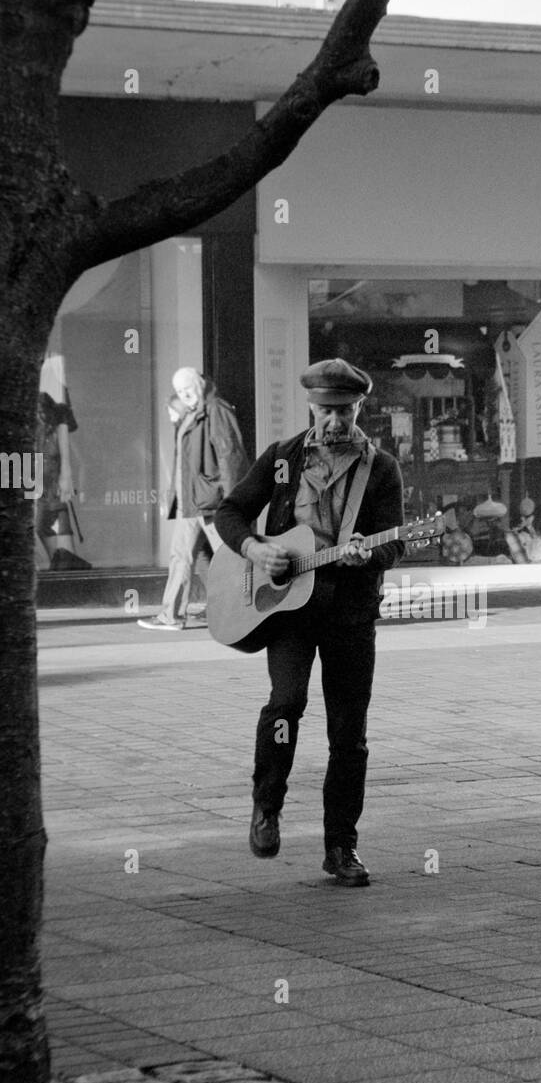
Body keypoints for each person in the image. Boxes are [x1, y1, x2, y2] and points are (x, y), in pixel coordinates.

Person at [214, 358, 405, 887]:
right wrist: (256, 549)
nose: (336, 422)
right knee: (286, 704)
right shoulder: (282, 459)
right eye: (326, 411)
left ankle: (341, 847)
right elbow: (228, 513)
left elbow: (398, 541)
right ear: (310, 406)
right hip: (289, 612)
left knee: (350, 733)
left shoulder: (381, 468)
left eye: (345, 410)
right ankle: (266, 807)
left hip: (349, 612)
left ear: (360, 406)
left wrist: (369, 555)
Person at [138, 368, 248, 630]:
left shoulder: (216, 410)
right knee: (182, 556)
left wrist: (233, 501)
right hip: (194, 500)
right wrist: (174, 495)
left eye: (187, 388)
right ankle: (171, 615)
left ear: (199, 384)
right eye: (179, 391)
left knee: (230, 556)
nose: (184, 395)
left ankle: (245, 610)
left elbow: (230, 455)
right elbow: (184, 462)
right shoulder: (195, 412)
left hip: (211, 501)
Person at [35, 357, 91, 571]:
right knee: (25, 520)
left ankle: (66, 572)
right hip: (14, 460)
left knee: (46, 513)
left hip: (43, 461)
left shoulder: (50, 376)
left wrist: (66, 470)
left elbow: (62, 424)